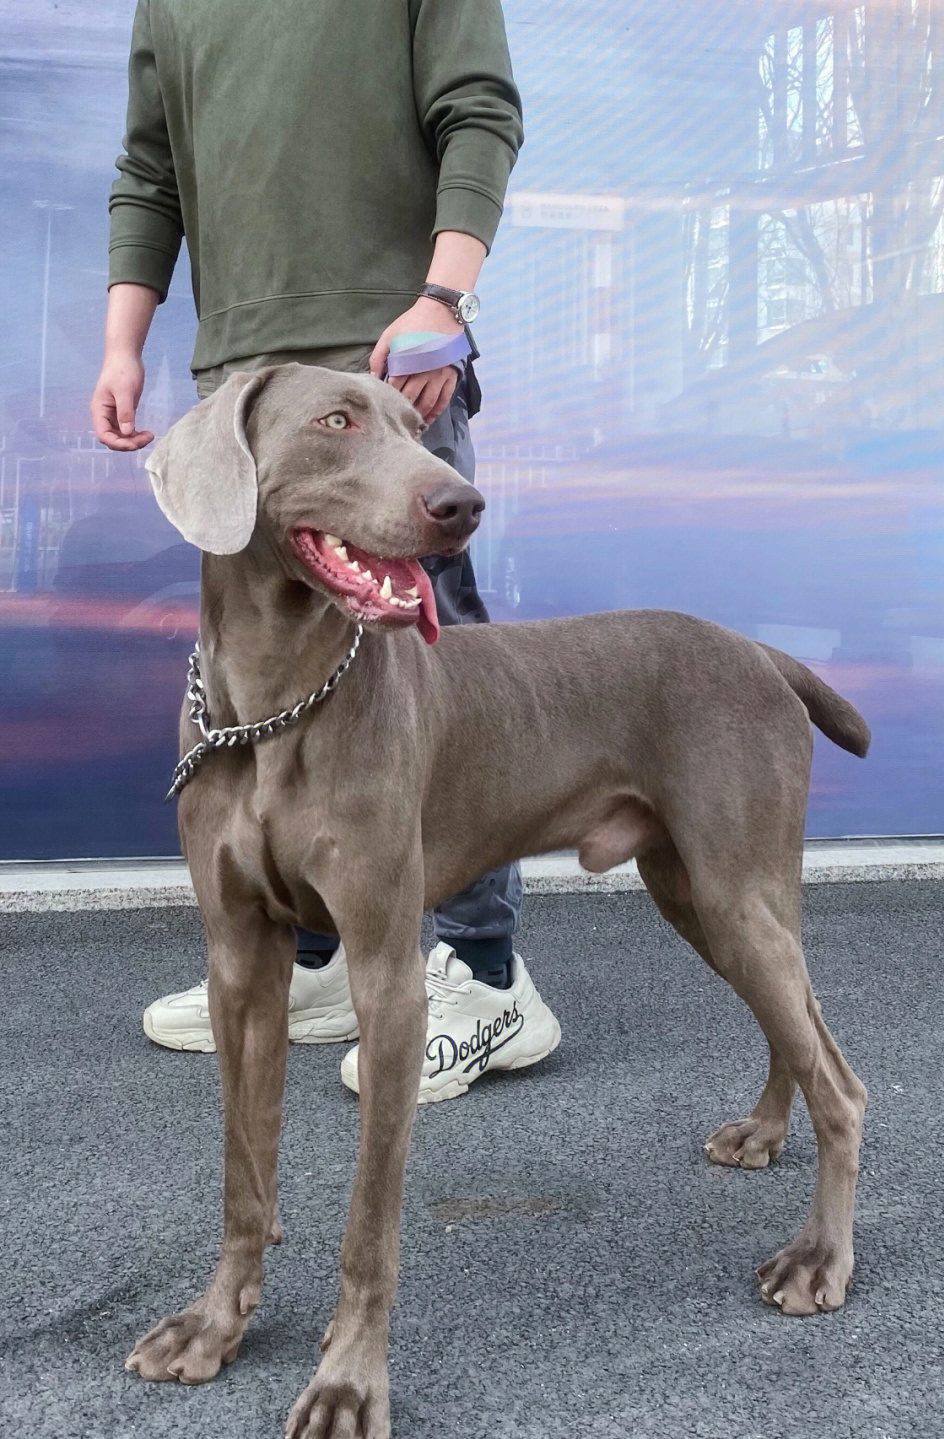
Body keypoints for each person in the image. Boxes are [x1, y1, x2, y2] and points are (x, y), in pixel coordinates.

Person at [92, 0, 560, 1102]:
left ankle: (487, 973)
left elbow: (477, 108)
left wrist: (445, 292)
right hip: (242, 385)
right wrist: (125, 339)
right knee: (261, 666)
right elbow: (151, 167)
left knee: (433, 661)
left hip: (389, 355)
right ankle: (313, 946)